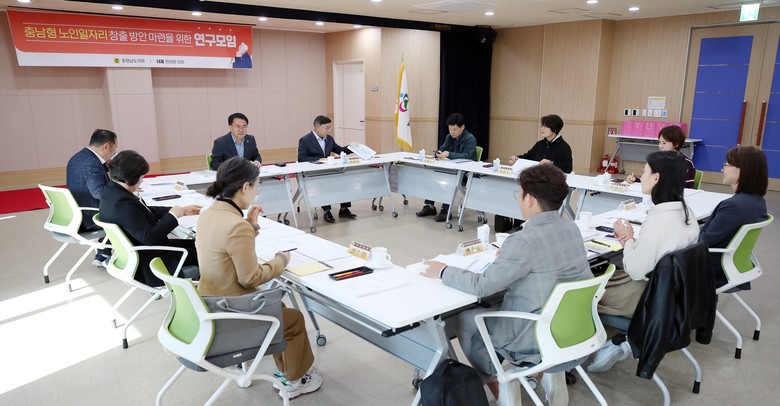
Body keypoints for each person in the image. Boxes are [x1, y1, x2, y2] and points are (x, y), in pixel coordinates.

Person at [422, 163, 592, 406]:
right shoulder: (571, 227)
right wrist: (511, 256)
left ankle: (500, 383)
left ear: (530, 199)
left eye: (519, 194)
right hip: (573, 329)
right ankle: (545, 380)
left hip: (534, 335)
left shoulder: (523, 241)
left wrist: (443, 271)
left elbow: (482, 286)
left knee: (467, 319)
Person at [196, 157, 322, 399]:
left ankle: (286, 371)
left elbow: (227, 248)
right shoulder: (235, 225)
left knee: (279, 308)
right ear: (245, 187)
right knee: (294, 320)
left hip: (210, 300)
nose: (256, 192)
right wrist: (281, 260)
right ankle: (297, 379)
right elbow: (250, 278)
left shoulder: (208, 214)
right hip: (231, 309)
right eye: (257, 187)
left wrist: (250, 226)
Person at [588, 151, 699, 373]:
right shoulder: (687, 213)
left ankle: (594, 348)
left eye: (645, 172)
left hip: (647, 298)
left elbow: (635, 271)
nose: (642, 176)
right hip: (674, 297)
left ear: (656, 178)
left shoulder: (658, 222)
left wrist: (628, 240)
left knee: (587, 291)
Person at [99, 151, 201, 287]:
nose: (142, 180)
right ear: (129, 179)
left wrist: (181, 211)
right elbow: (150, 238)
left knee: (198, 243)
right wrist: (173, 216)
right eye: (141, 177)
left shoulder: (112, 191)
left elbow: (143, 211)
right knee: (208, 251)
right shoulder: (123, 204)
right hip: (151, 260)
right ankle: (204, 291)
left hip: (141, 251)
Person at [700, 146, 768, 289]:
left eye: (726, 164)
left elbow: (703, 242)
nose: (722, 169)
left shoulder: (733, 206)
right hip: (730, 263)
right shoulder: (758, 201)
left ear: (743, 169)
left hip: (711, 268)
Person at [66, 129, 118, 265]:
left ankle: (102, 254)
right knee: (129, 212)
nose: (114, 153)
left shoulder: (78, 157)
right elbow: (98, 192)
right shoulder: (91, 163)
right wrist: (125, 192)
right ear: (106, 146)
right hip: (89, 217)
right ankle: (122, 257)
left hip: (77, 212)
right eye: (114, 149)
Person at [416, 113, 477, 222]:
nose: (452, 132)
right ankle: (429, 206)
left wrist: (449, 154)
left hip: (464, 173)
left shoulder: (470, 139)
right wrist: (439, 153)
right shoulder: (449, 137)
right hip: (450, 170)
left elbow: (467, 156)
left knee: (448, 179)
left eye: (455, 129)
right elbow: (443, 148)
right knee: (432, 175)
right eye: (450, 129)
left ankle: (446, 210)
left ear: (462, 127)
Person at [297, 115, 356, 223]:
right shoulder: (305, 140)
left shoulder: (329, 139)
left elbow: (340, 150)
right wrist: (320, 159)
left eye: (330, 127)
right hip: (314, 172)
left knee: (344, 179)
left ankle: (344, 209)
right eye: (327, 127)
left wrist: (352, 147)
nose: (329, 130)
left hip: (328, 170)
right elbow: (301, 158)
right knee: (323, 182)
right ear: (317, 127)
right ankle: (327, 211)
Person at [626, 125, 695, 188]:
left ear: (676, 144)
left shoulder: (686, 163)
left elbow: (687, 188)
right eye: (659, 142)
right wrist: (635, 180)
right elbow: (650, 181)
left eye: (664, 143)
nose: (660, 146)